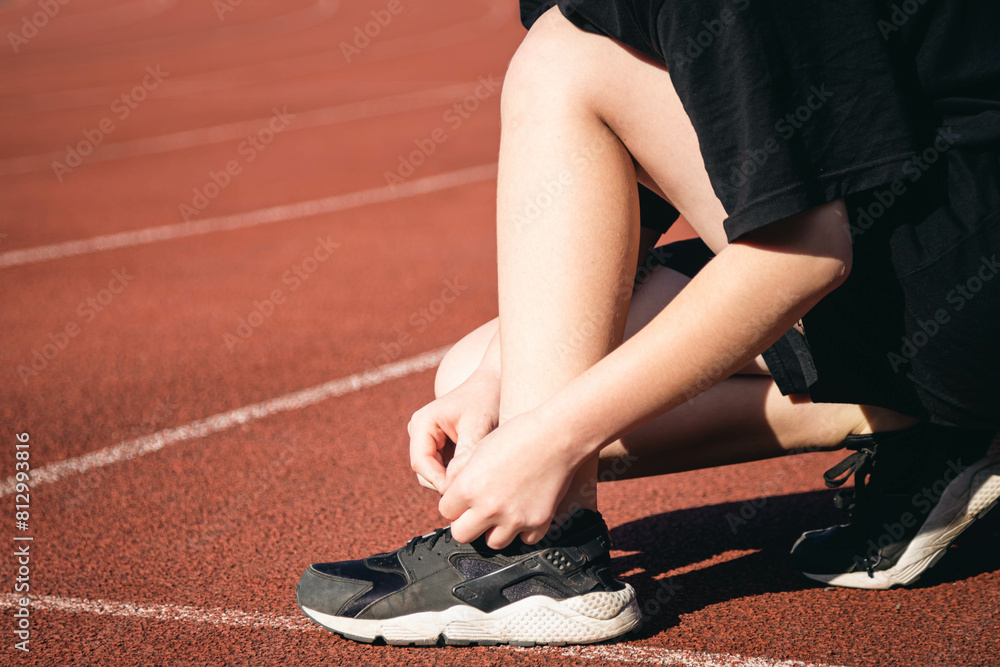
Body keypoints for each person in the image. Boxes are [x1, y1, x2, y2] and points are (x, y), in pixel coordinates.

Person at [296, 0, 1000, 646]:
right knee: (497, 378)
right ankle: (935, 427)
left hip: (957, 280)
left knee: (568, 55)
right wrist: (496, 378)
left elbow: (803, 254)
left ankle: (541, 562)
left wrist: (555, 434)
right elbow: (634, 157)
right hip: (942, 251)